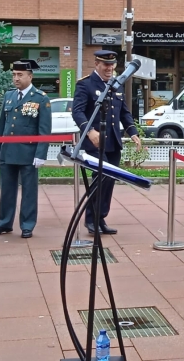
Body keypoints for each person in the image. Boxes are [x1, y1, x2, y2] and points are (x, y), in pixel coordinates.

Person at [72, 50, 142, 235]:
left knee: (109, 182)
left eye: (112, 65)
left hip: (112, 143)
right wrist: (89, 131)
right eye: (106, 65)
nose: (110, 68)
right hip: (94, 143)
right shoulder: (85, 84)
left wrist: (133, 132)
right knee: (99, 181)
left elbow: (124, 112)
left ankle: (100, 218)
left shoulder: (116, 85)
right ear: (97, 64)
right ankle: (90, 220)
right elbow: (77, 111)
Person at [0, 60, 52, 239]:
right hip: (8, 151)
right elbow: (3, 123)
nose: (16, 78)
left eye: (20, 75)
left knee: (29, 191)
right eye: (14, 75)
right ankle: (4, 223)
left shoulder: (40, 98)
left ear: (30, 76)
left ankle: (27, 224)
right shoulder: (9, 96)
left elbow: (44, 129)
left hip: (28, 152)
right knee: (7, 190)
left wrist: (41, 153)